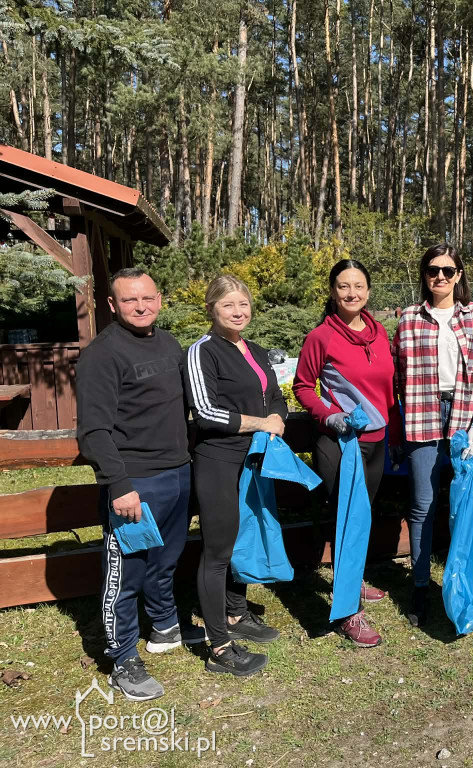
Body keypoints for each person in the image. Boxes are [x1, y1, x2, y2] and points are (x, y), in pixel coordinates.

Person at [76, 267, 194, 701]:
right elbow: (94, 430)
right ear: (112, 305)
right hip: (135, 483)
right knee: (126, 571)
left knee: (166, 560)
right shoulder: (102, 355)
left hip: (178, 473)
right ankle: (123, 656)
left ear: (159, 298)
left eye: (147, 298)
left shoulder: (169, 344)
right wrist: (118, 483)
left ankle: (164, 627)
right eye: (129, 300)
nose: (140, 306)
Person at [393, 243, 473, 627]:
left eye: (448, 270)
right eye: (432, 270)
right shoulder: (408, 318)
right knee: (422, 505)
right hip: (422, 417)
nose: (440, 277)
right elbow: (399, 375)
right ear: (424, 276)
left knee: (465, 505)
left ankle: (462, 585)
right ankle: (421, 585)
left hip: (466, 419)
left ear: (459, 275)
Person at [185, 275, 288, 676]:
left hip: (253, 461)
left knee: (242, 536)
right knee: (218, 552)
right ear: (212, 309)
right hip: (217, 461)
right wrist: (262, 423)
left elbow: (275, 396)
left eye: (243, 304)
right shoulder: (202, 352)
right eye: (229, 305)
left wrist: (276, 417)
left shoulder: (257, 350)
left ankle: (235, 613)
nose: (238, 312)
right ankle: (219, 648)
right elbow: (206, 412)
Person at [294, 258, 397, 646]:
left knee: (362, 515)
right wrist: (330, 416)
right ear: (333, 292)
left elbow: (388, 390)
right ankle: (350, 611)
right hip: (341, 443)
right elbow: (304, 386)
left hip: (377, 441)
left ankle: (351, 581)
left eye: (358, 286)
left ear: (368, 291)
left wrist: (394, 430)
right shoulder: (321, 336)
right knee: (346, 517)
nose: (351, 293)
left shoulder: (379, 332)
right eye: (343, 286)